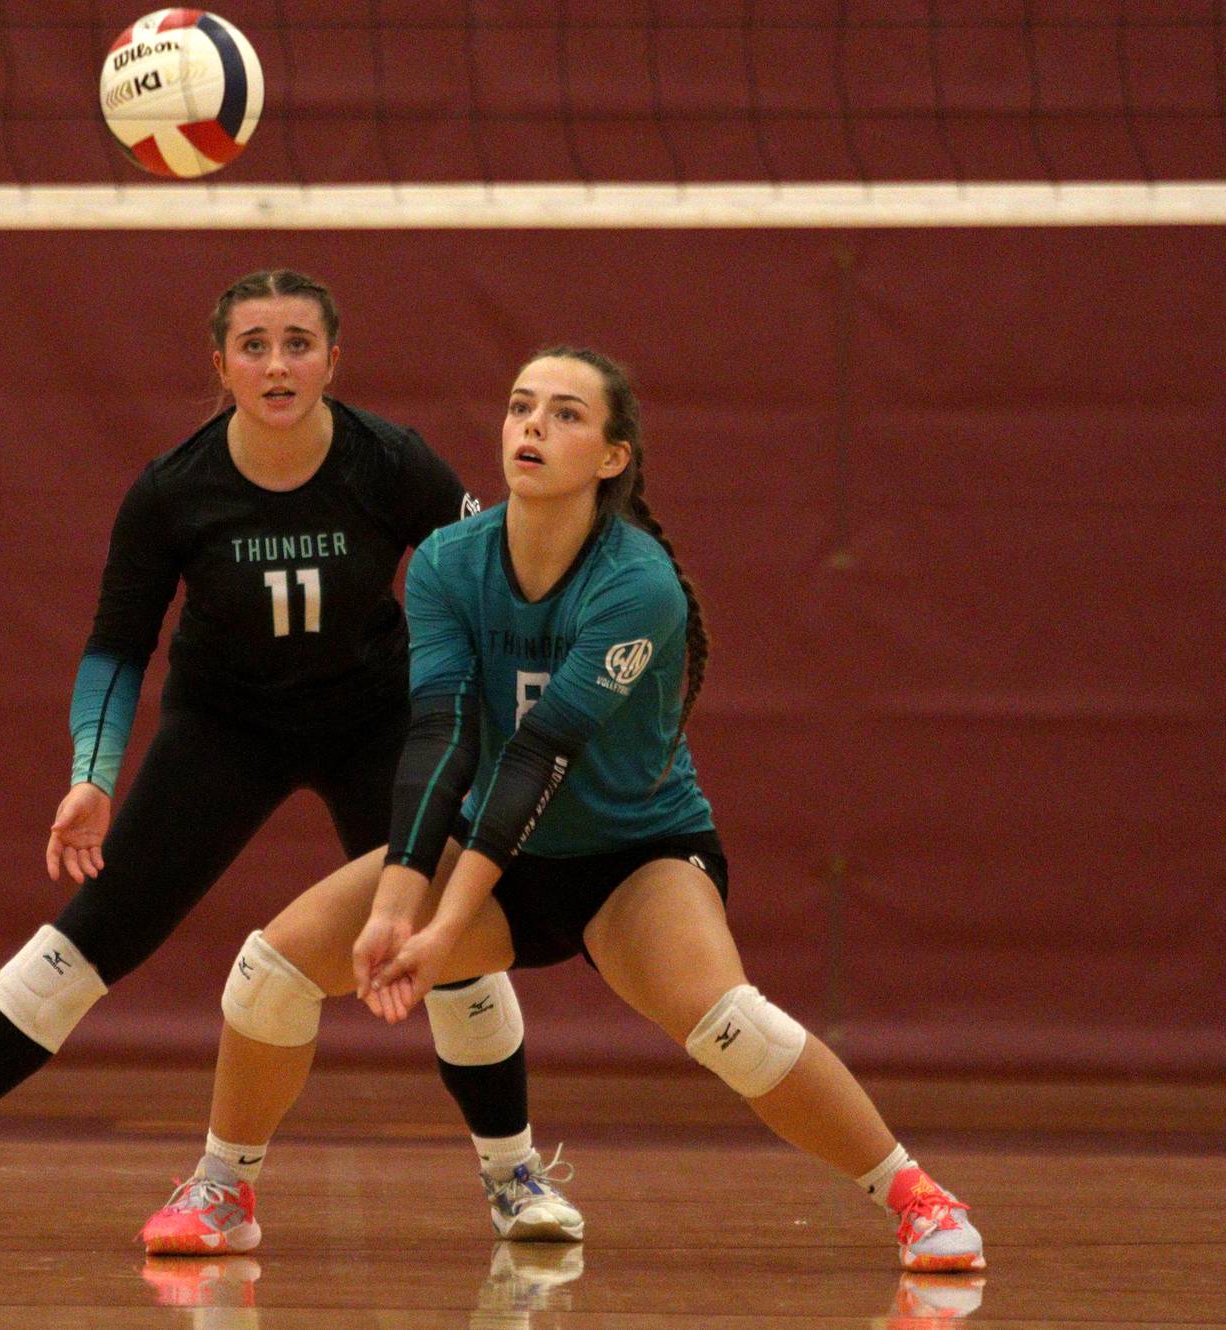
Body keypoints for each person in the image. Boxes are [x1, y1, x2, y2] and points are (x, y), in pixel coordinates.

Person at [138, 345, 985, 1273]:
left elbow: (539, 756)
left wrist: (439, 929)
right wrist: (393, 906)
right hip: (498, 854)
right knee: (271, 970)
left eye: (567, 413)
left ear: (613, 457)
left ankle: (917, 1198)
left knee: (731, 1024)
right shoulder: (451, 564)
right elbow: (442, 739)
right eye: (519, 406)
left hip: (634, 858)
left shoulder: (637, 582)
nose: (532, 425)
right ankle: (225, 1186)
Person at [0, 269, 579, 1246]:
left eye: (299, 343)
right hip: (226, 724)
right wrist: (90, 775)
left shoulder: (388, 462)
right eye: (256, 344)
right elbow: (116, 643)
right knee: (101, 924)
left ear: (332, 360)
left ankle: (514, 1171)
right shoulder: (175, 489)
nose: (278, 363)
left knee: (444, 929)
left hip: (374, 720)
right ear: (220, 363)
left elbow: (487, 577)